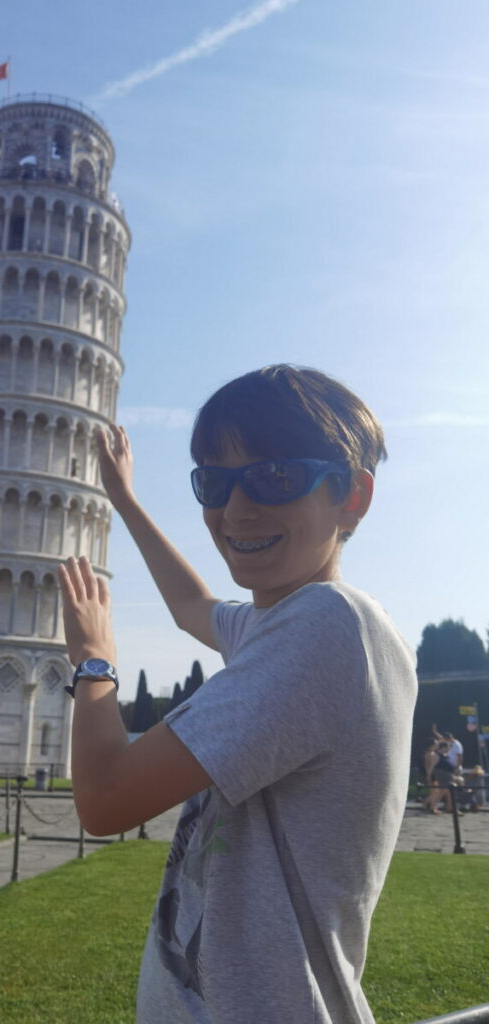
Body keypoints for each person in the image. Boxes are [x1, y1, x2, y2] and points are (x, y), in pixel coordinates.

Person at [57, 365, 417, 1023]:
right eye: (214, 483)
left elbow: (106, 798)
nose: (236, 510)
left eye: (275, 477)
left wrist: (93, 661)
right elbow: (193, 605)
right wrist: (126, 501)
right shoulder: (284, 625)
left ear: (352, 497)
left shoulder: (326, 626)